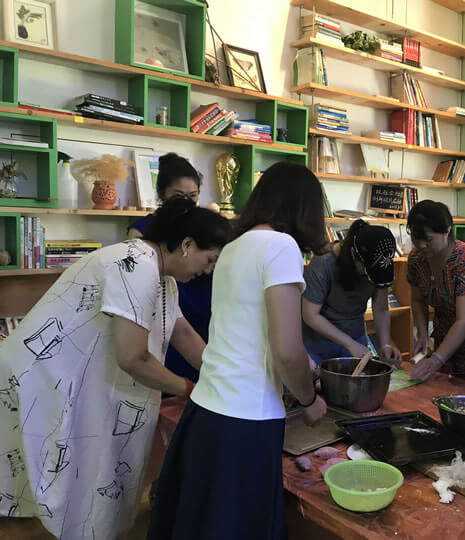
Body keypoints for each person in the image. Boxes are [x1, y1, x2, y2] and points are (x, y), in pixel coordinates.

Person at [0, 197, 230, 539]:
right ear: (187, 244)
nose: (207, 271)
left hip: (62, 375)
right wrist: (190, 389)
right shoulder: (136, 265)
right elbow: (132, 357)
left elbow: (181, 332)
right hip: (37, 375)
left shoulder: (163, 278)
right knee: (47, 484)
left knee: (84, 472)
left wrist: (223, 375)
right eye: (209, 260)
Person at [148, 162, 328, 540]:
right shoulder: (281, 246)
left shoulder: (234, 245)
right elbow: (286, 350)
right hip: (245, 420)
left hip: (206, 410)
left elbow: (249, 331)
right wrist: (309, 399)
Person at [128, 153, 209, 387]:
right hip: (164, 310)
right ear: (162, 194)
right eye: (178, 197)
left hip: (201, 316)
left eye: (193, 196)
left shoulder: (206, 227)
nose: (187, 204)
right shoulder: (143, 231)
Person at [406, 200, 465, 383]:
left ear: (447, 231)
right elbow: (417, 300)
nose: (421, 245)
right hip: (444, 340)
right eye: (416, 237)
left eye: (428, 239)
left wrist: (436, 359)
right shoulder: (416, 259)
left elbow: (464, 321)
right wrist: (422, 333)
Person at [303, 219, 402, 365]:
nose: (368, 278)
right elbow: (310, 315)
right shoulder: (323, 264)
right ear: (353, 255)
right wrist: (349, 343)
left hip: (356, 338)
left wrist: (385, 344)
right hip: (319, 343)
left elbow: (381, 308)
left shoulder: (381, 264)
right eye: (366, 271)